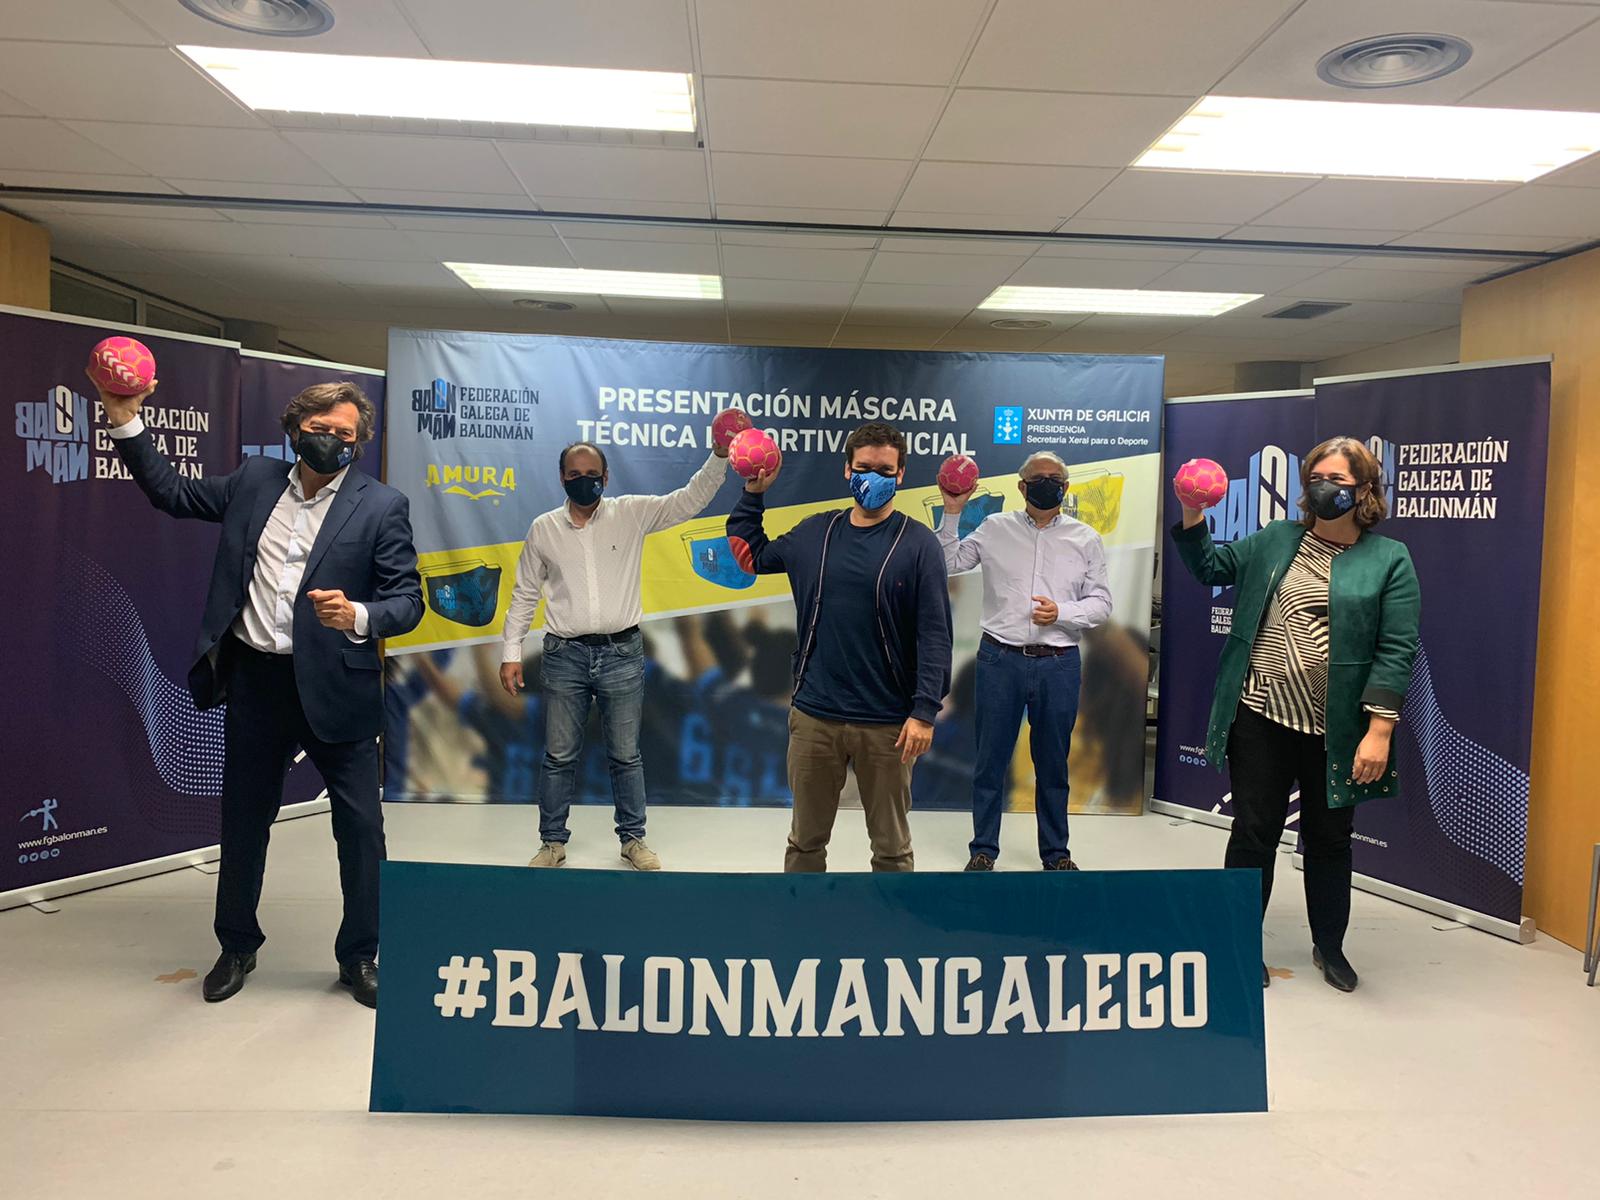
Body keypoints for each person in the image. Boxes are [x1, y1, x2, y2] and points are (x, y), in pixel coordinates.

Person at [93, 376, 422, 1007]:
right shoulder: (253, 481)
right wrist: (125, 419)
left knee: (361, 829)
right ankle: (236, 946)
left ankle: (360, 955)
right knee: (244, 821)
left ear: (359, 442)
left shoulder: (382, 506)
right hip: (256, 683)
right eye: (320, 430)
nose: (332, 441)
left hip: (337, 689)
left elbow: (408, 601)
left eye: (345, 434)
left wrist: (357, 614)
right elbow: (171, 493)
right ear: (296, 430)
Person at [1173, 436, 1420, 993]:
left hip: (1338, 728)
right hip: (1259, 715)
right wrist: (1192, 511)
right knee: (1253, 832)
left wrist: (1380, 730)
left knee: (1330, 839)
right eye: (1317, 478)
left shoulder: (1389, 559)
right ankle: (1237, 942)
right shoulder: (1277, 538)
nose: (1325, 489)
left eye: (1339, 480)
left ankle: (1329, 945)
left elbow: (1396, 647)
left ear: (1365, 489)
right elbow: (1210, 566)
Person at [727, 422, 952, 872]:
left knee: (892, 848)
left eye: (884, 470)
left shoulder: (919, 544)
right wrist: (753, 494)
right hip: (815, 718)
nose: (873, 477)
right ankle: (803, 914)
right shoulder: (816, 533)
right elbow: (750, 556)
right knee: (805, 843)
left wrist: (925, 711)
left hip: (888, 724)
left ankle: (892, 918)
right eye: (864, 467)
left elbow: (935, 633)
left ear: (901, 474)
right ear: (847, 470)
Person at [500, 439, 730, 870]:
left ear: (606, 477)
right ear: (562, 478)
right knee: (558, 755)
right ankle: (552, 842)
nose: (583, 481)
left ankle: (633, 839)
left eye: (592, 474)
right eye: (574, 474)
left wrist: (719, 457)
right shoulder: (543, 529)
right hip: (563, 655)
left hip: (621, 653)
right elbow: (525, 593)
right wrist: (511, 652)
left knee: (625, 755)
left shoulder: (632, 513)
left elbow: (689, 500)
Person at [938, 451, 1112, 871]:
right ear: (1021, 486)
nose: (1046, 483)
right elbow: (948, 562)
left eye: (1054, 478)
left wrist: (1063, 612)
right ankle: (983, 849)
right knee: (990, 760)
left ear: (1065, 487)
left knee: (1053, 764)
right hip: (1000, 658)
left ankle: (1056, 853)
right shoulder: (994, 528)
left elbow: (1102, 603)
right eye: (1038, 478)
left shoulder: (1086, 538)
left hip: (1059, 662)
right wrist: (952, 511)